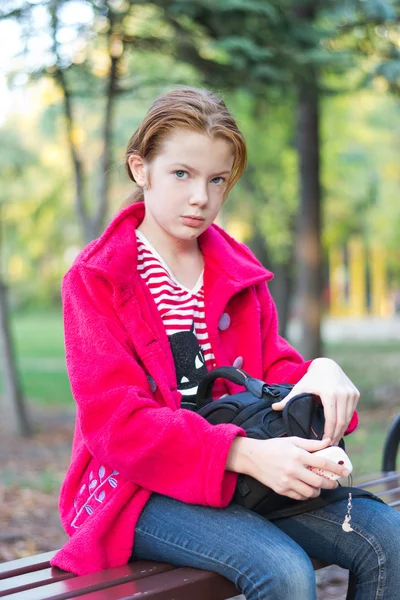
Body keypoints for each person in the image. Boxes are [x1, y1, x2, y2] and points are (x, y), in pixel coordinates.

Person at [51, 87, 400, 599]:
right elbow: (117, 427)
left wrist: (318, 374)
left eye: (217, 180)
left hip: (243, 477)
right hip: (132, 486)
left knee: (388, 538)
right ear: (139, 169)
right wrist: (242, 454)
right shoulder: (99, 278)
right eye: (181, 174)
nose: (201, 197)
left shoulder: (235, 272)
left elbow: (273, 375)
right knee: (282, 570)